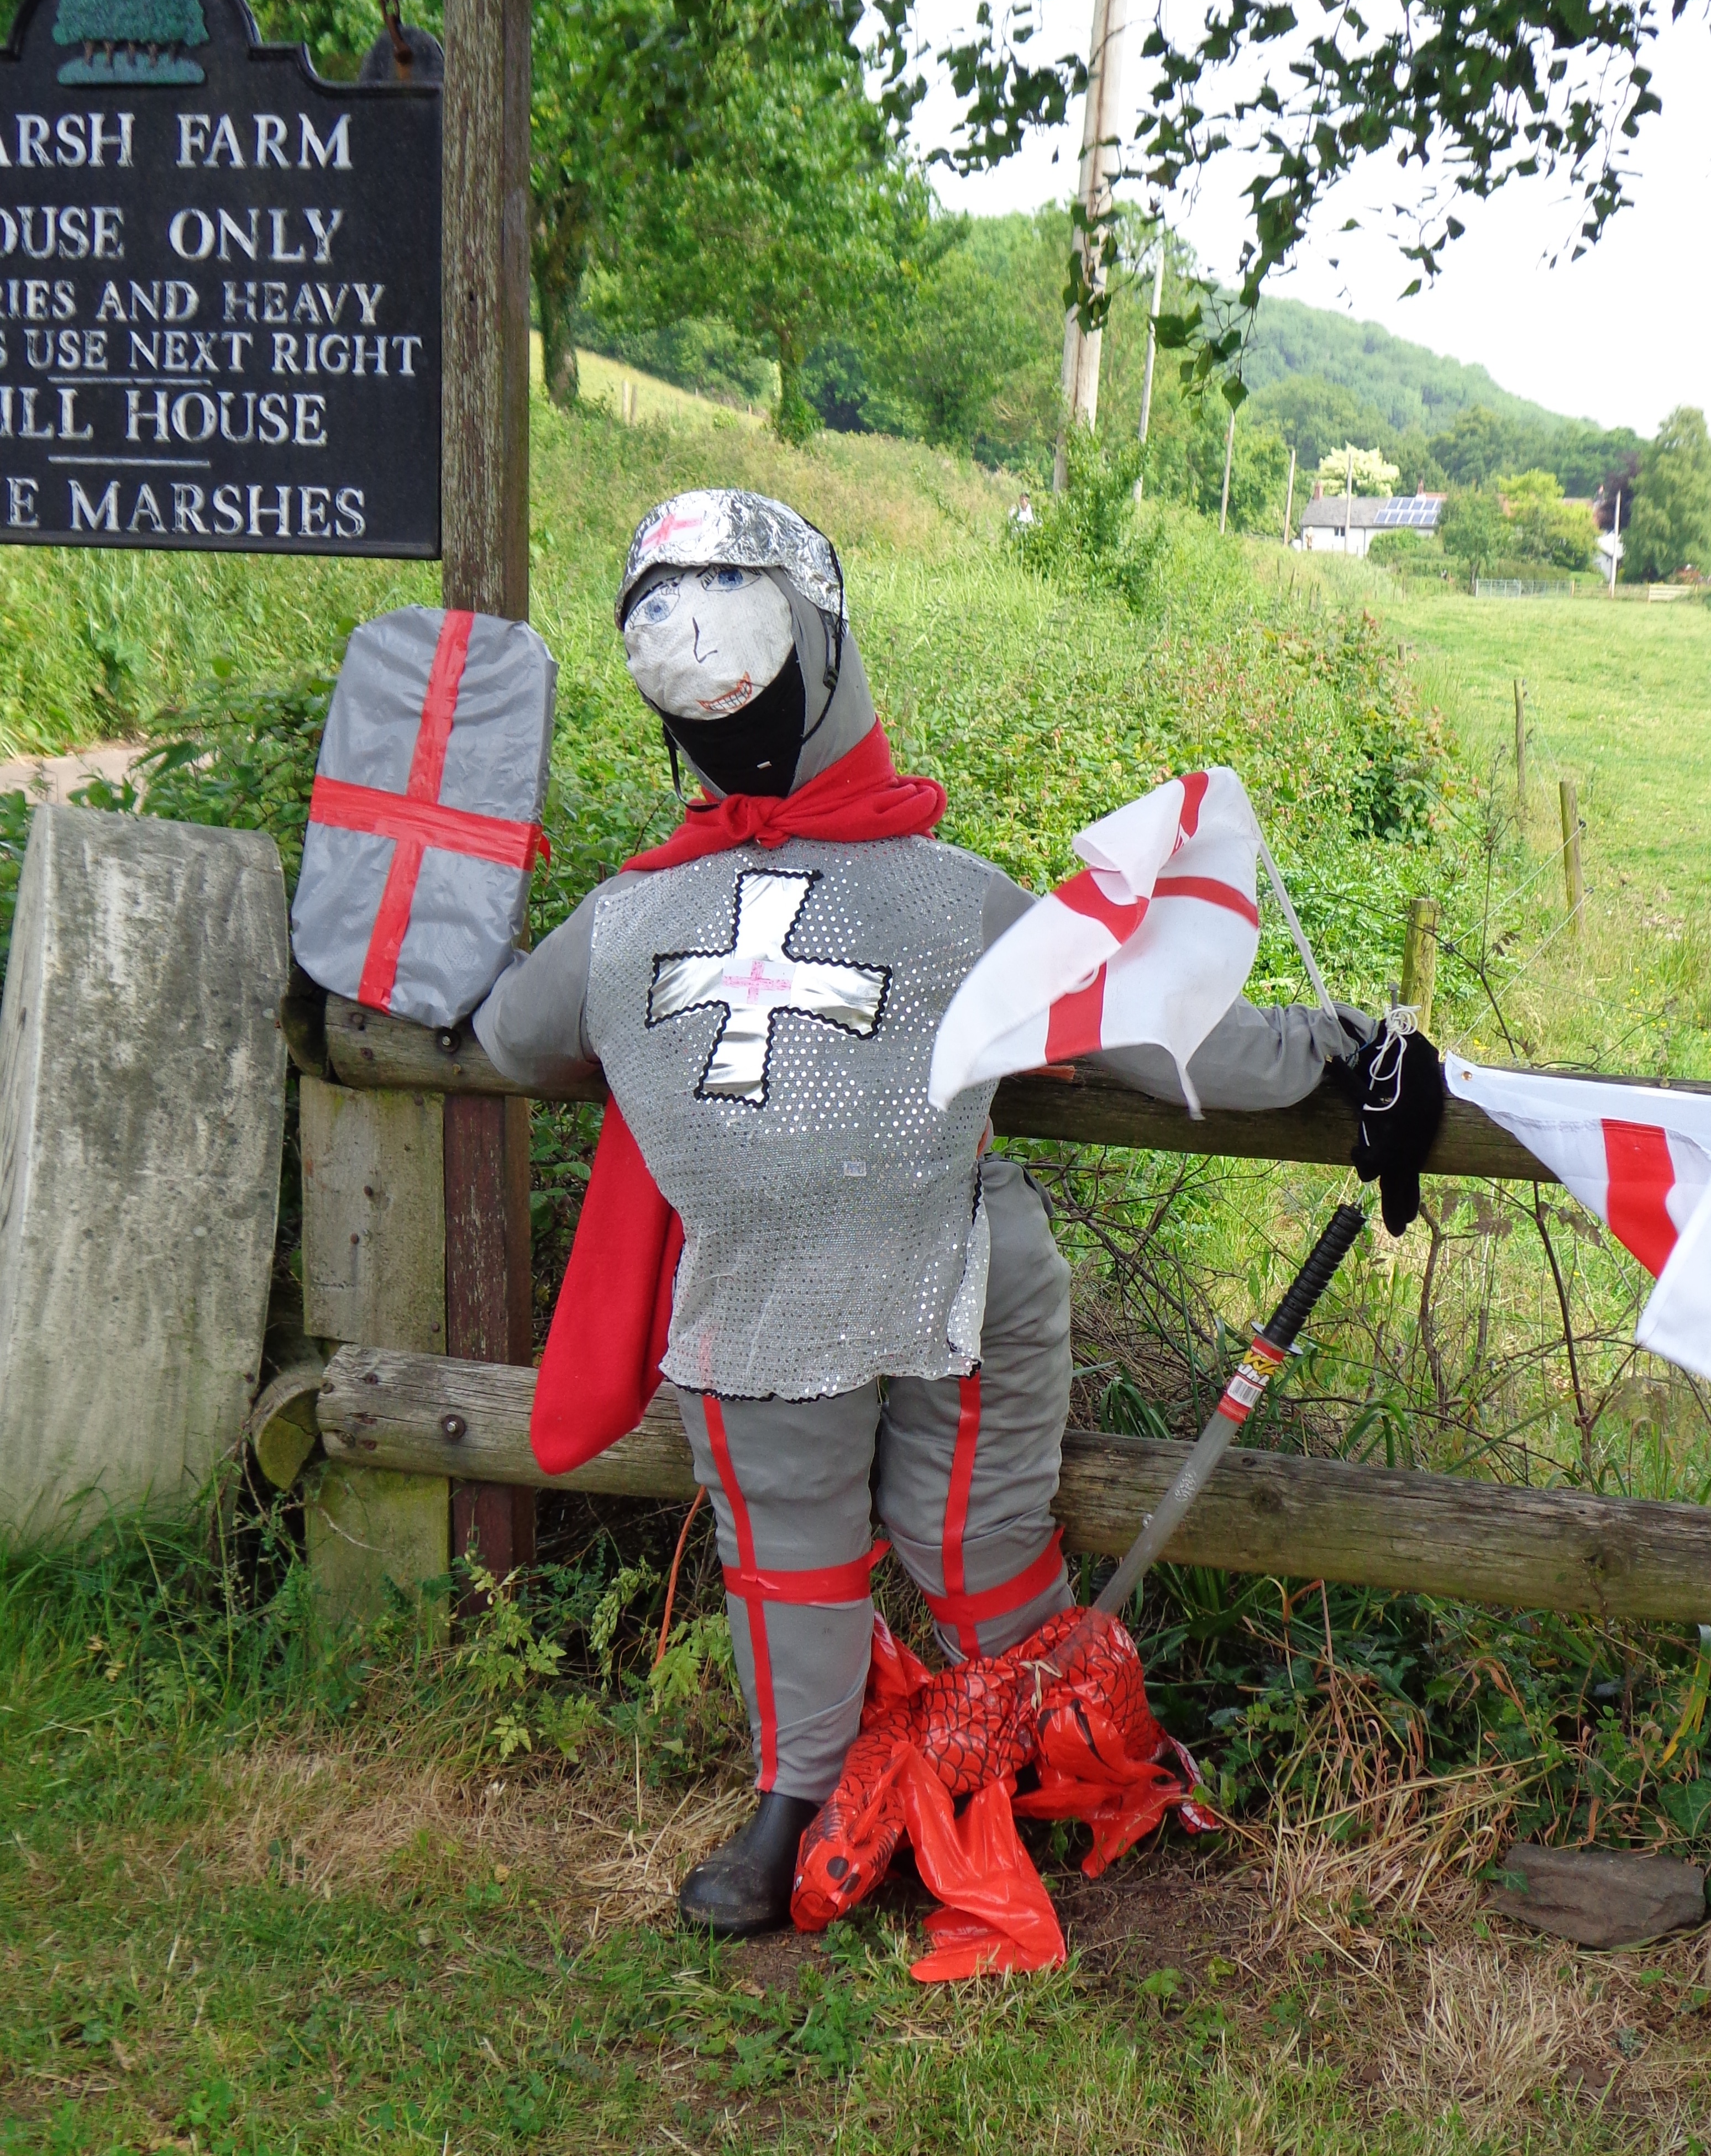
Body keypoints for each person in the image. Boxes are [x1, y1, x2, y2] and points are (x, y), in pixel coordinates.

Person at [472, 488, 1420, 1935]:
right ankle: (796, 1792)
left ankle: (1050, 1762)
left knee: (975, 1544)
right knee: (784, 1546)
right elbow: (514, 1035)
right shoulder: (632, 917)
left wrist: (1348, 1044)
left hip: (949, 1268)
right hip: (756, 1289)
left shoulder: (939, 903)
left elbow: (1161, 1031)